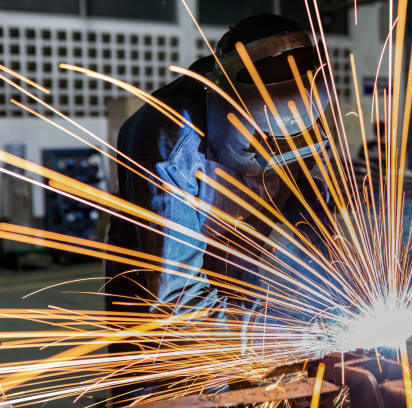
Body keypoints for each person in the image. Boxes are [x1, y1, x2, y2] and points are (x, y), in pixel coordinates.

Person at [104, 13, 330, 403]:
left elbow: (317, 219)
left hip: (242, 270)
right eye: (269, 143)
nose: (281, 160)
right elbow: (174, 296)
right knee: (184, 387)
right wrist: (270, 334)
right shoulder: (167, 141)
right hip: (162, 302)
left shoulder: (297, 111)